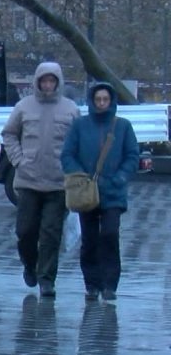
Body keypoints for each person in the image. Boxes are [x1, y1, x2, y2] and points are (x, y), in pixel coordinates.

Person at [2, 62, 80, 298]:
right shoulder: (23, 107)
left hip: (58, 183)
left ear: (58, 82)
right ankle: (30, 265)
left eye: (52, 81)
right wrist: (18, 160)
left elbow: (78, 141)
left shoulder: (71, 109)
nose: (47, 85)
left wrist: (72, 167)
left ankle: (47, 279)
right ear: (38, 82)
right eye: (44, 81)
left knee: (50, 234)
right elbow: (9, 134)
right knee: (25, 231)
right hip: (28, 182)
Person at [61, 82, 139, 303]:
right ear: (92, 101)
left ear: (111, 101)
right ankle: (92, 284)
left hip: (113, 192)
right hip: (87, 191)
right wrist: (78, 175)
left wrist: (121, 177)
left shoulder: (122, 126)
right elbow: (67, 154)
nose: (102, 103)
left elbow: (132, 155)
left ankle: (110, 284)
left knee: (110, 235)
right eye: (98, 100)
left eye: (105, 99)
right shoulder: (80, 125)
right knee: (90, 239)